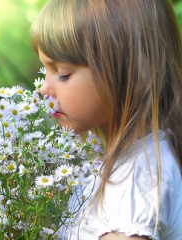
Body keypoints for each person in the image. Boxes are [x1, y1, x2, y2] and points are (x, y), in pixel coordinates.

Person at [30, 0, 182, 239]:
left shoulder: (139, 175)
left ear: (123, 72)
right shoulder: (124, 163)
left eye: (62, 74)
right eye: (45, 70)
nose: (43, 89)